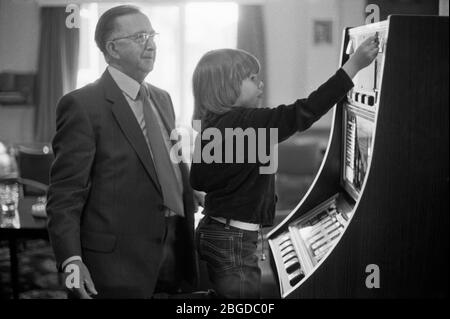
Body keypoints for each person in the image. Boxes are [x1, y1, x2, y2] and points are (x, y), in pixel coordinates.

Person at [190, 37, 379, 298]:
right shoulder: (245, 124)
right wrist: (352, 67)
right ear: (229, 85)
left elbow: (198, 180)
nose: (260, 83)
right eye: (252, 78)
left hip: (217, 231)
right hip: (234, 238)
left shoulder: (213, 125)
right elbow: (304, 111)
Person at [47, 5, 200, 299]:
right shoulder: (82, 105)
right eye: (141, 36)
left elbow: (164, 160)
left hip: (175, 245)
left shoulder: (162, 97)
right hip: (117, 264)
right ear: (113, 48)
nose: (152, 43)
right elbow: (65, 193)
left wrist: (188, 187)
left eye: (152, 34)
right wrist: (71, 261)